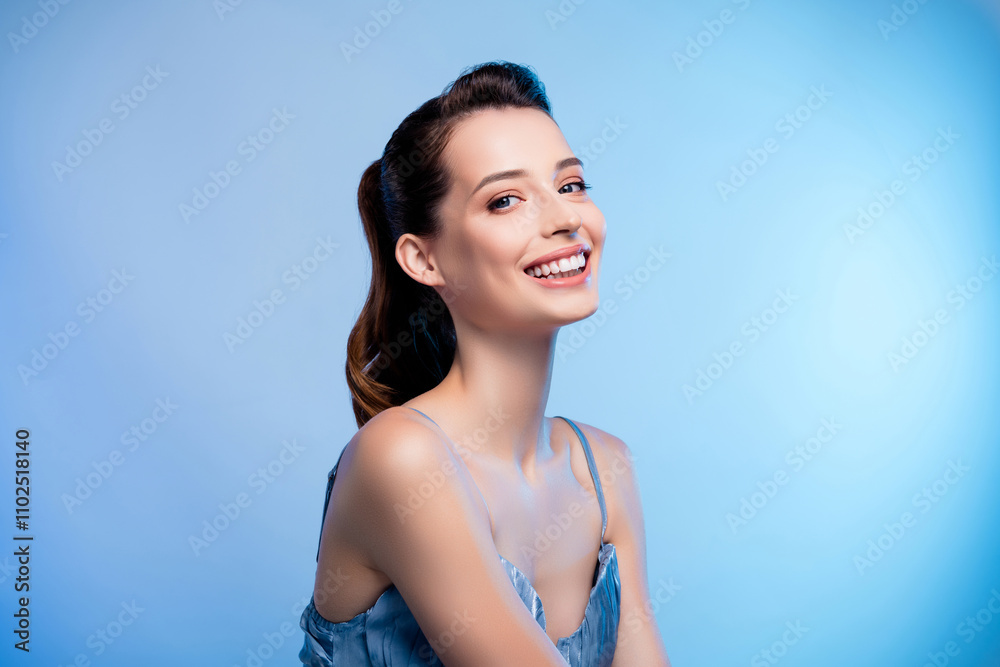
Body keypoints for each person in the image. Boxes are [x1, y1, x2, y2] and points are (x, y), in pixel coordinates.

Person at [299, 61, 670, 667]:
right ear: (423, 260)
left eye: (571, 185)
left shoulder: (606, 470)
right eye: (505, 200)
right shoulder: (400, 458)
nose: (564, 218)